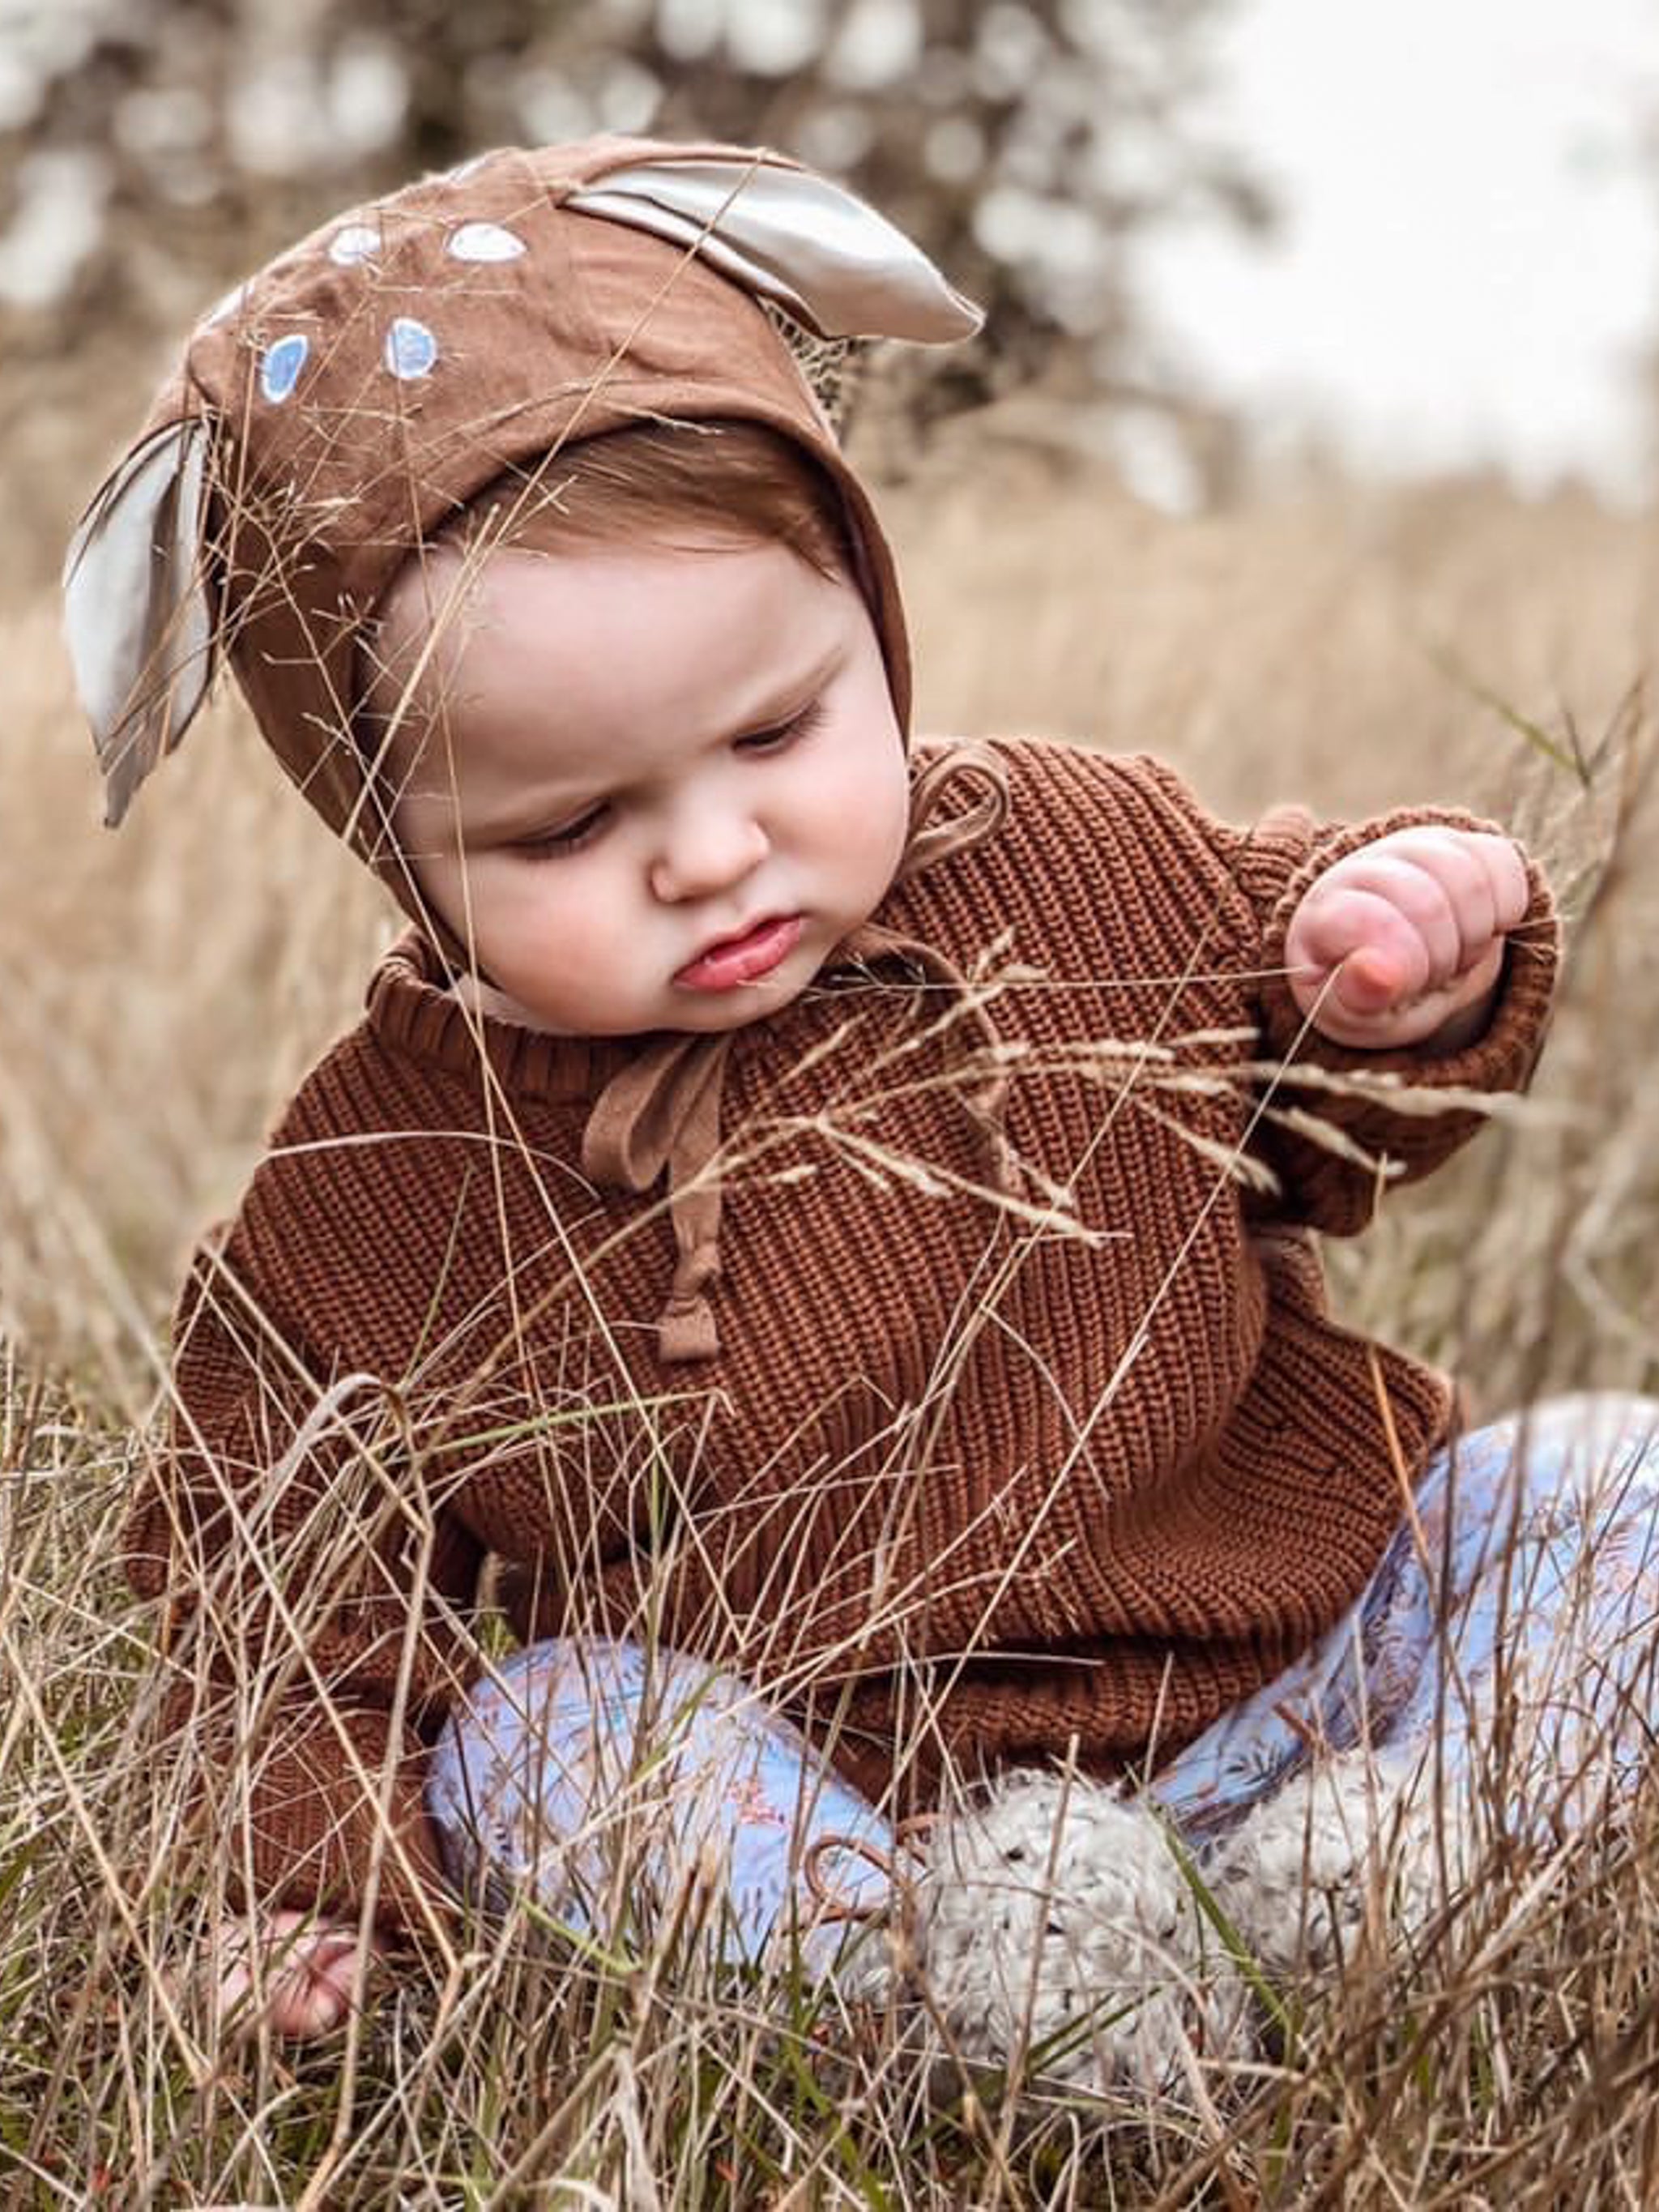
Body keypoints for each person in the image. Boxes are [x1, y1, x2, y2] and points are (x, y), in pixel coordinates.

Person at [62, 136, 1650, 2052]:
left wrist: (1396, 958)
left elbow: (1338, 1115)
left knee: (1600, 1482)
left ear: (869, 622)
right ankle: (956, 2009)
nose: (715, 853)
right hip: (866, 1816)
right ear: (391, 840)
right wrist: (305, 1890)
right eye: (570, 823)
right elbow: (278, 1595)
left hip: (1309, 1667)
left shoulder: (1072, 855)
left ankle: (1417, 1861)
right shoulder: (386, 1189)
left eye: (778, 729)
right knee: (547, 1733)